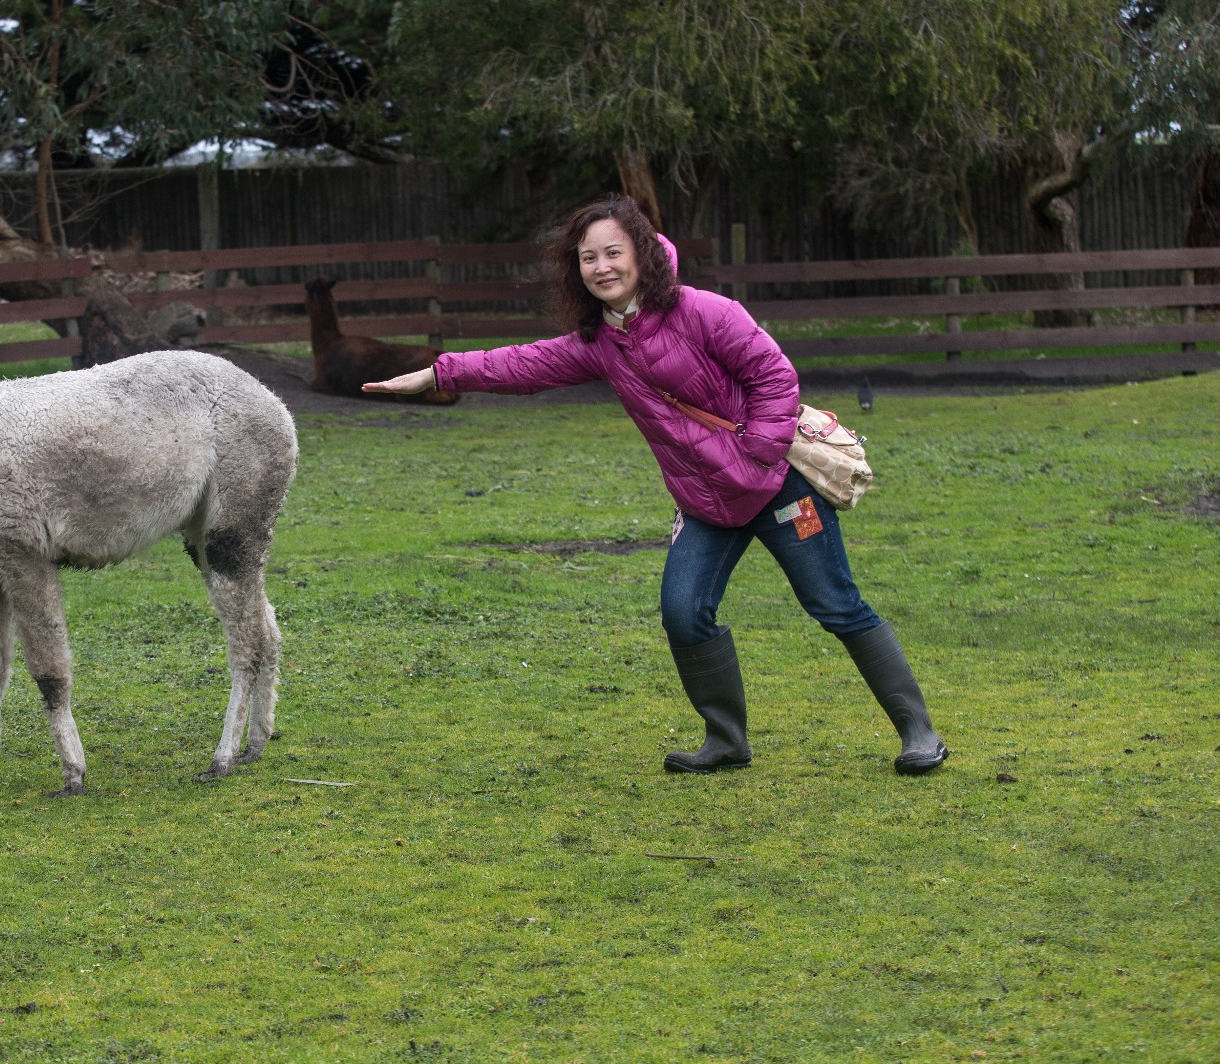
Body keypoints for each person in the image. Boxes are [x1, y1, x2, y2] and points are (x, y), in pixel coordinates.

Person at [364, 195, 948, 775]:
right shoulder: (600, 342)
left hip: (778, 486)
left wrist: (758, 455)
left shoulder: (705, 311)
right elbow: (522, 364)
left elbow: (773, 376)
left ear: (641, 254)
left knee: (835, 604)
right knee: (684, 610)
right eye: (588, 258)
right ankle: (726, 740)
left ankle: (918, 731)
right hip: (705, 503)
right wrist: (438, 372)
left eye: (613, 252)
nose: (602, 268)